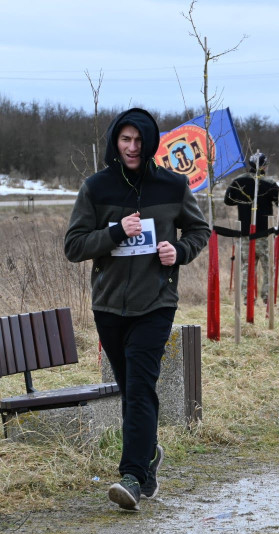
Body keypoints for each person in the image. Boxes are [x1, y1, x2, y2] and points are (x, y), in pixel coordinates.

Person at [65, 108, 210, 509]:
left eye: (138, 140)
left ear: (149, 143)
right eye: (125, 139)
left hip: (156, 303)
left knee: (141, 386)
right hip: (109, 306)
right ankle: (148, 456)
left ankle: (130, 476)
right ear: (116, 141)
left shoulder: (172, 186)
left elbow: (200, 230)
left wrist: (177, 251)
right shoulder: (96, 188)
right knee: (132, 389)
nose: (131, 147)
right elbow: (74, 246)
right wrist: (115, 232)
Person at [224, 153, 279, 300]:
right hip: (264, 232)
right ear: (263, 166)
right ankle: (267, 295)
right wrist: (278, 192)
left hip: (245, 231)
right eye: (266, 165)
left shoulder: (238, 181)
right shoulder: (268, 183)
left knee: (247, 266)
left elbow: (228, 200)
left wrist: (242, 200)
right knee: (268, 266)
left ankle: (247, 297)